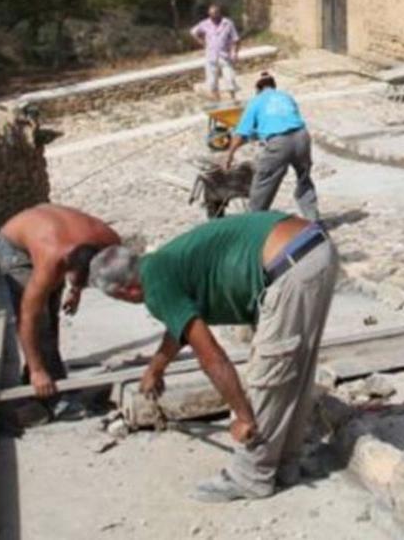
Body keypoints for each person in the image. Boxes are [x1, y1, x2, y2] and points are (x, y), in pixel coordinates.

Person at [88, 211, 338, 504]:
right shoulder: (158, 265)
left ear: (128, 290)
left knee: (268, 376)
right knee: (295, 369)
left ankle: (251, 477)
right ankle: (286, 464)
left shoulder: (154, 285)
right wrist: (156, 368)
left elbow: (212, 358)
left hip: (290, 267)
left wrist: (243, 416)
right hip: (314, 249)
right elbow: (180, 322)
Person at [0, 204, 121, 417]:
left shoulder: (110, 241)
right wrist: (37, 370)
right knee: (40, 320)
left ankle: (44, 380)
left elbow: (85, 267)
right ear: (65, 266)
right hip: (13, 245)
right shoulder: (51, 260)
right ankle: (52, 394)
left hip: (49, 230)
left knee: (52, 315)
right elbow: (28, 317)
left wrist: (76, 290)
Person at [226, 72, 319, 220]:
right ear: (274, 86)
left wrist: (229, 156)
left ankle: (252, 224)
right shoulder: (286, 96)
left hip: (279, 143)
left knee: (263, 182)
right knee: (304, 178)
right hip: (302, 137)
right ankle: (313, 219)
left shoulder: (256, 102)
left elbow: (241, 133)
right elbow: (284, 119)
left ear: (257, 89)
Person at [191, 3, 241, 100]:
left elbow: (236, 39)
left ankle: (233, 99)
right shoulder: (205, 23)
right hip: (211, 57)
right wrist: (201, 41)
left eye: (214, 14)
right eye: (210, 15)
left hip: (225, 56)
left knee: (230, 79)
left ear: (219, 14)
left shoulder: (228, 23)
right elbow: (193, 32)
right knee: (212, 82)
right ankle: (216, 100)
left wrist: (235, 52)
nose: (212, 17)